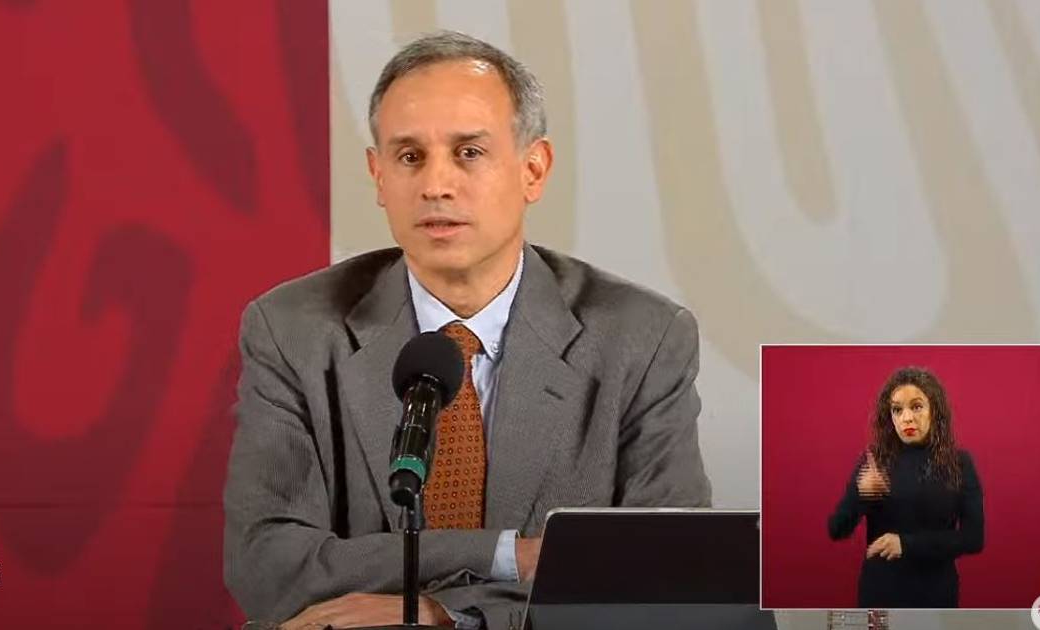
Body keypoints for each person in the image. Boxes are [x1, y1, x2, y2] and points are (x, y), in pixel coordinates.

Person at [224, 31, 712, 630]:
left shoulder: (642, 338)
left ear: (534, 169)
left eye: (469, 152)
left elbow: (666, 573)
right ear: (378, 176)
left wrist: (446, 615)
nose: (436, 185)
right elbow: (267, 566)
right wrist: (506, 555)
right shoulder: (292, 330)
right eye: (409, 157)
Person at [827, 366, 984, 608]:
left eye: (917, 407)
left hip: (936, 595)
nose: (906, 418)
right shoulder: (875, 462)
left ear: (935, 411)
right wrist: (861, 495)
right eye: (897, 410)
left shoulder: (960, 463)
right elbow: (836, 529)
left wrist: (906, 544)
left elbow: (973, 539)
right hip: (881, 594)